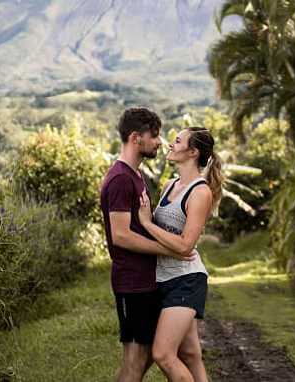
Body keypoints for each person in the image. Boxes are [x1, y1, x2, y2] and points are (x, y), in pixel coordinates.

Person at [99, 108, 197, 382]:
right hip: (132, 283)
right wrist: (170, 249)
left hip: (146, 281)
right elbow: (122, 236)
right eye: (154, 136)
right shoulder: (120, 179)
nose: (159, 142)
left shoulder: (135, 175)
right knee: (136, 360)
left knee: (148, 358)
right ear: (135, 138)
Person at [137, 127, 223, 382]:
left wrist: (147, 224)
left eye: (177, 141)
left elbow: (186, 245)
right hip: (163, 279)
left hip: (186, 280)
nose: (170, 145)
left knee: (163, 354)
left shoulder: (200, 192)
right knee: (190, 353)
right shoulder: (170, 184)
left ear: (193, 152)